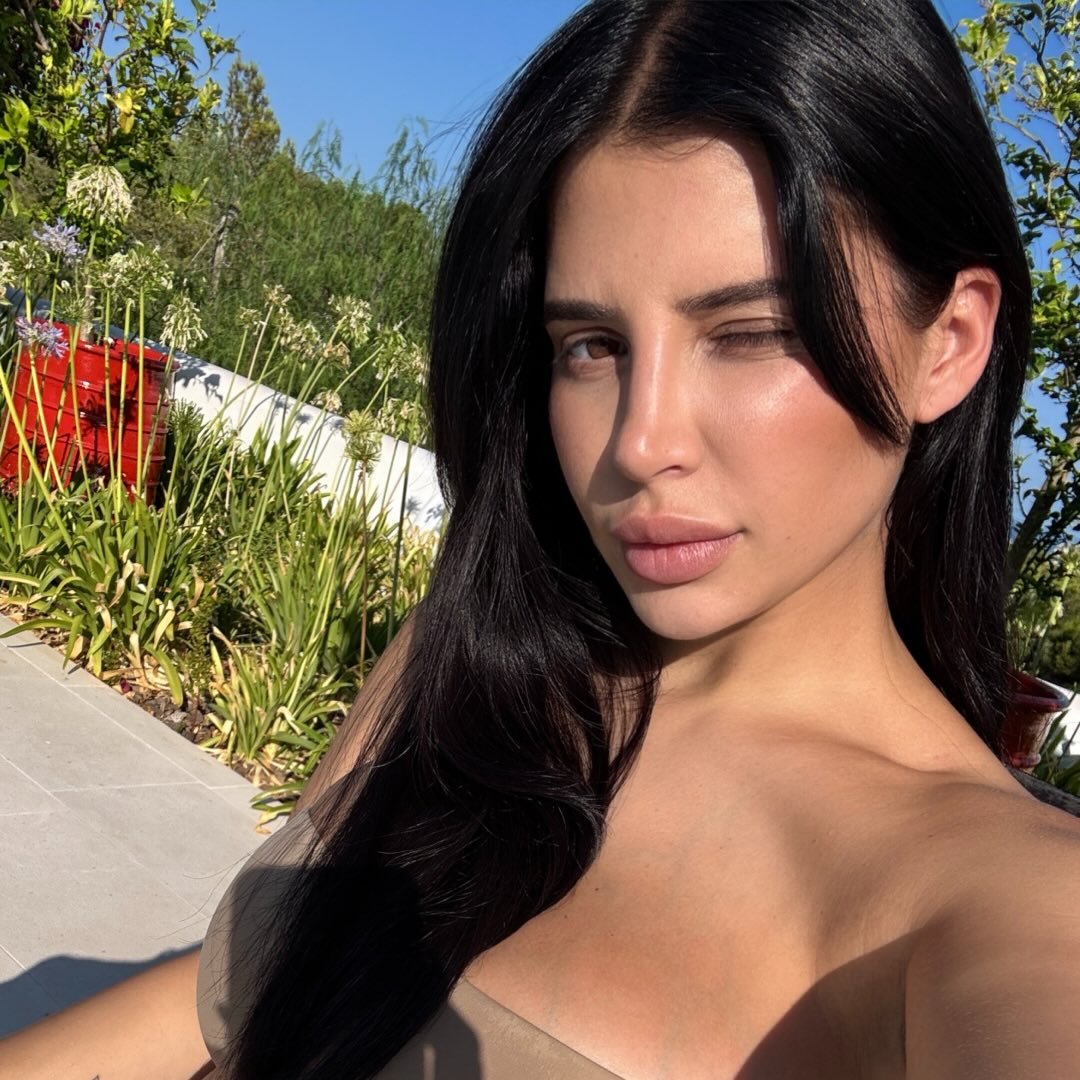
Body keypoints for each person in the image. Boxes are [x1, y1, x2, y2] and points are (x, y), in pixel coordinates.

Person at [4, 0, 1080, 1076]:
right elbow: (233, 1000)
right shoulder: (478, 664)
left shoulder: (1002, 903)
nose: (640, 442)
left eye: (751, 333)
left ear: (950, 341)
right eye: (592, 346)